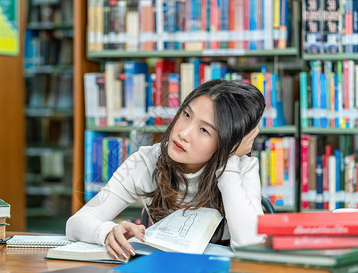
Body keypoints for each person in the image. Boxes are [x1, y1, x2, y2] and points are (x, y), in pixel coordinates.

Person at [67, 79, 266, 260]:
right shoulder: (146, 162)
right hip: (162, 272)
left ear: (227, 142)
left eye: (204, 130)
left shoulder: (241, 169)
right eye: (186, 115)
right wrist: (107, 232)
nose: (183, 133)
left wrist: (229, 161)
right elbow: (76, 223)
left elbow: (250, 246)